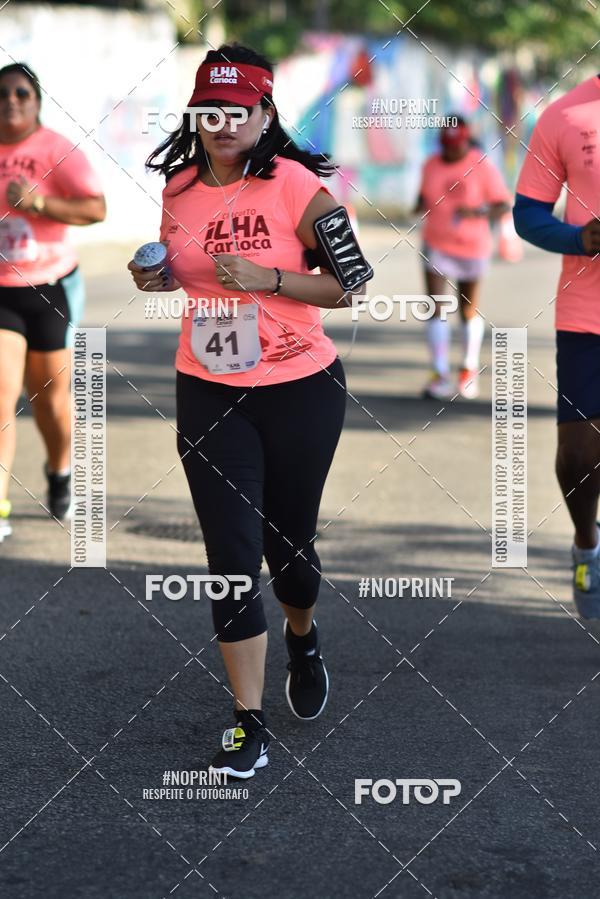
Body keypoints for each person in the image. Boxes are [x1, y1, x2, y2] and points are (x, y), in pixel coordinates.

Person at [128, 44, 370, 778]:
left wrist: (271, 278)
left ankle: (303, 634)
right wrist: (156, 278)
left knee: (288, 552)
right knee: (231, 555)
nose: (222, 122)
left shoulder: (296, 186)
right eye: (209, 110)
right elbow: (182, 270)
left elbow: (351, 281)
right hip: (207, 388)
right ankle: (248, 721)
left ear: (264, 116)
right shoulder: (180, 189)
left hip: (300, 388)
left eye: (238, 110)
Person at [0, 63, 105, 542]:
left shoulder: (57, 150)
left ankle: (60, 470)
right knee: (2, 396)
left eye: (22, 92)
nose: (12, 100)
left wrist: (40, 204)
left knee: (50, 402)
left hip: (47, 286)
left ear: (37, 100)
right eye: (2, 93)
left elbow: (95, 208)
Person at [513, 74, 600, 621]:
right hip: (587, 313)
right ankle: (586, 543)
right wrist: (578, 238)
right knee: (581, 454)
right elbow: (528, 214)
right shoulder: (566, 116)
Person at [415, 117, 511, 400]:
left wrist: (479, 213)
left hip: (472, 247)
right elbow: (422, 198)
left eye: (456, 145)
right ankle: (439, 374)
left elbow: (503, 204)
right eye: (446, 145)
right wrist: (416, 208)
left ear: (466, 141)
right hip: (436, 243)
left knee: (467, 310)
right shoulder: (430, 164)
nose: (451, 151)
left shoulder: (480, 165)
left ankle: (468, 370)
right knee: (436, 307)